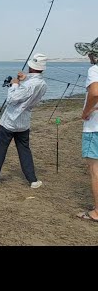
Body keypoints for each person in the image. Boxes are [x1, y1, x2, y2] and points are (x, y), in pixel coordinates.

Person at [0, 53, 48, 188]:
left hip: (10, 121)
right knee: (24, 150)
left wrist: (14, 85)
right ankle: (33, 180)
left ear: (31, 66)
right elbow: (31, 85)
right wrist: (23, 79)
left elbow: (11, 99)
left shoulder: (29, 85)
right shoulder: (42, 84)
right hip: (24, 123)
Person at [75, 39, 98, 222]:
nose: (89, 56)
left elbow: (95, 92)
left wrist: (86, 112)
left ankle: (97, 212)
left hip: (95, 128)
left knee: (95, 169)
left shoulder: (94, 69)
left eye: (90, 53)